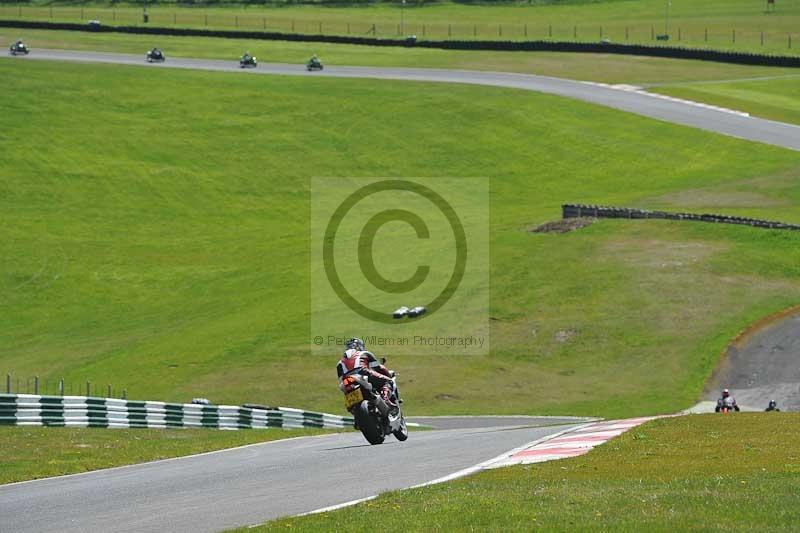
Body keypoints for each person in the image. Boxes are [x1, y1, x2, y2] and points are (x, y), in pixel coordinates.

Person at [336, 337, 398, 415]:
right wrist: (388, 375)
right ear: (359, 346)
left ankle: (353, 409)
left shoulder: (339, 363)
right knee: (388, 381)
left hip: (347, 381)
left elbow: (341, 379)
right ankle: (386, 400)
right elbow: (379, 368)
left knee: (345, 389)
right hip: (363, 373)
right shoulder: (365, 353)